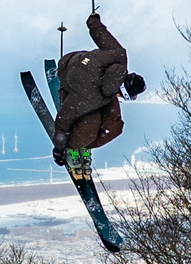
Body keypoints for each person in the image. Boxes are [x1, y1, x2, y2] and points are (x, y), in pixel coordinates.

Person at [52, 12, 145, 174]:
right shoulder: (87, 96)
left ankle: (84, 145)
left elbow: (101, 35)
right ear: (121, 90)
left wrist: (93, 21)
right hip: (68, 70)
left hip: (85, 66)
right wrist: (59, 148)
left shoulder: (119, 55)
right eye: (123, 96)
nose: (121, 99)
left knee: (113, 123)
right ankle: (75, 147)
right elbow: (64, 119)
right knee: (90, 122)